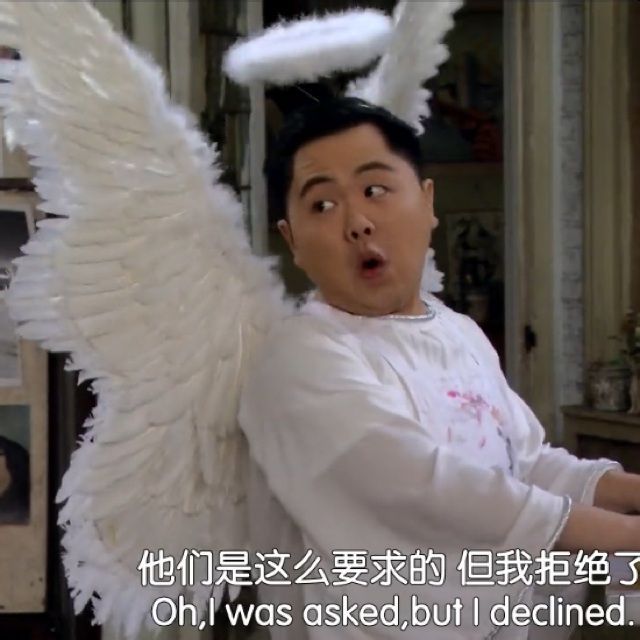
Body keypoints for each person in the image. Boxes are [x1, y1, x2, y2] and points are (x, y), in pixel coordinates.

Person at [238, 97, 640, 639]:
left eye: (374, 190)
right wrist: (624, 537)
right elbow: (425, 485)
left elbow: (522, 463)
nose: (357, 223)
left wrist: (627, 492)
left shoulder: (458, 330)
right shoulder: (299, 358)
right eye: (323, 205)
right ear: (292, 241)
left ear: (427, 201)